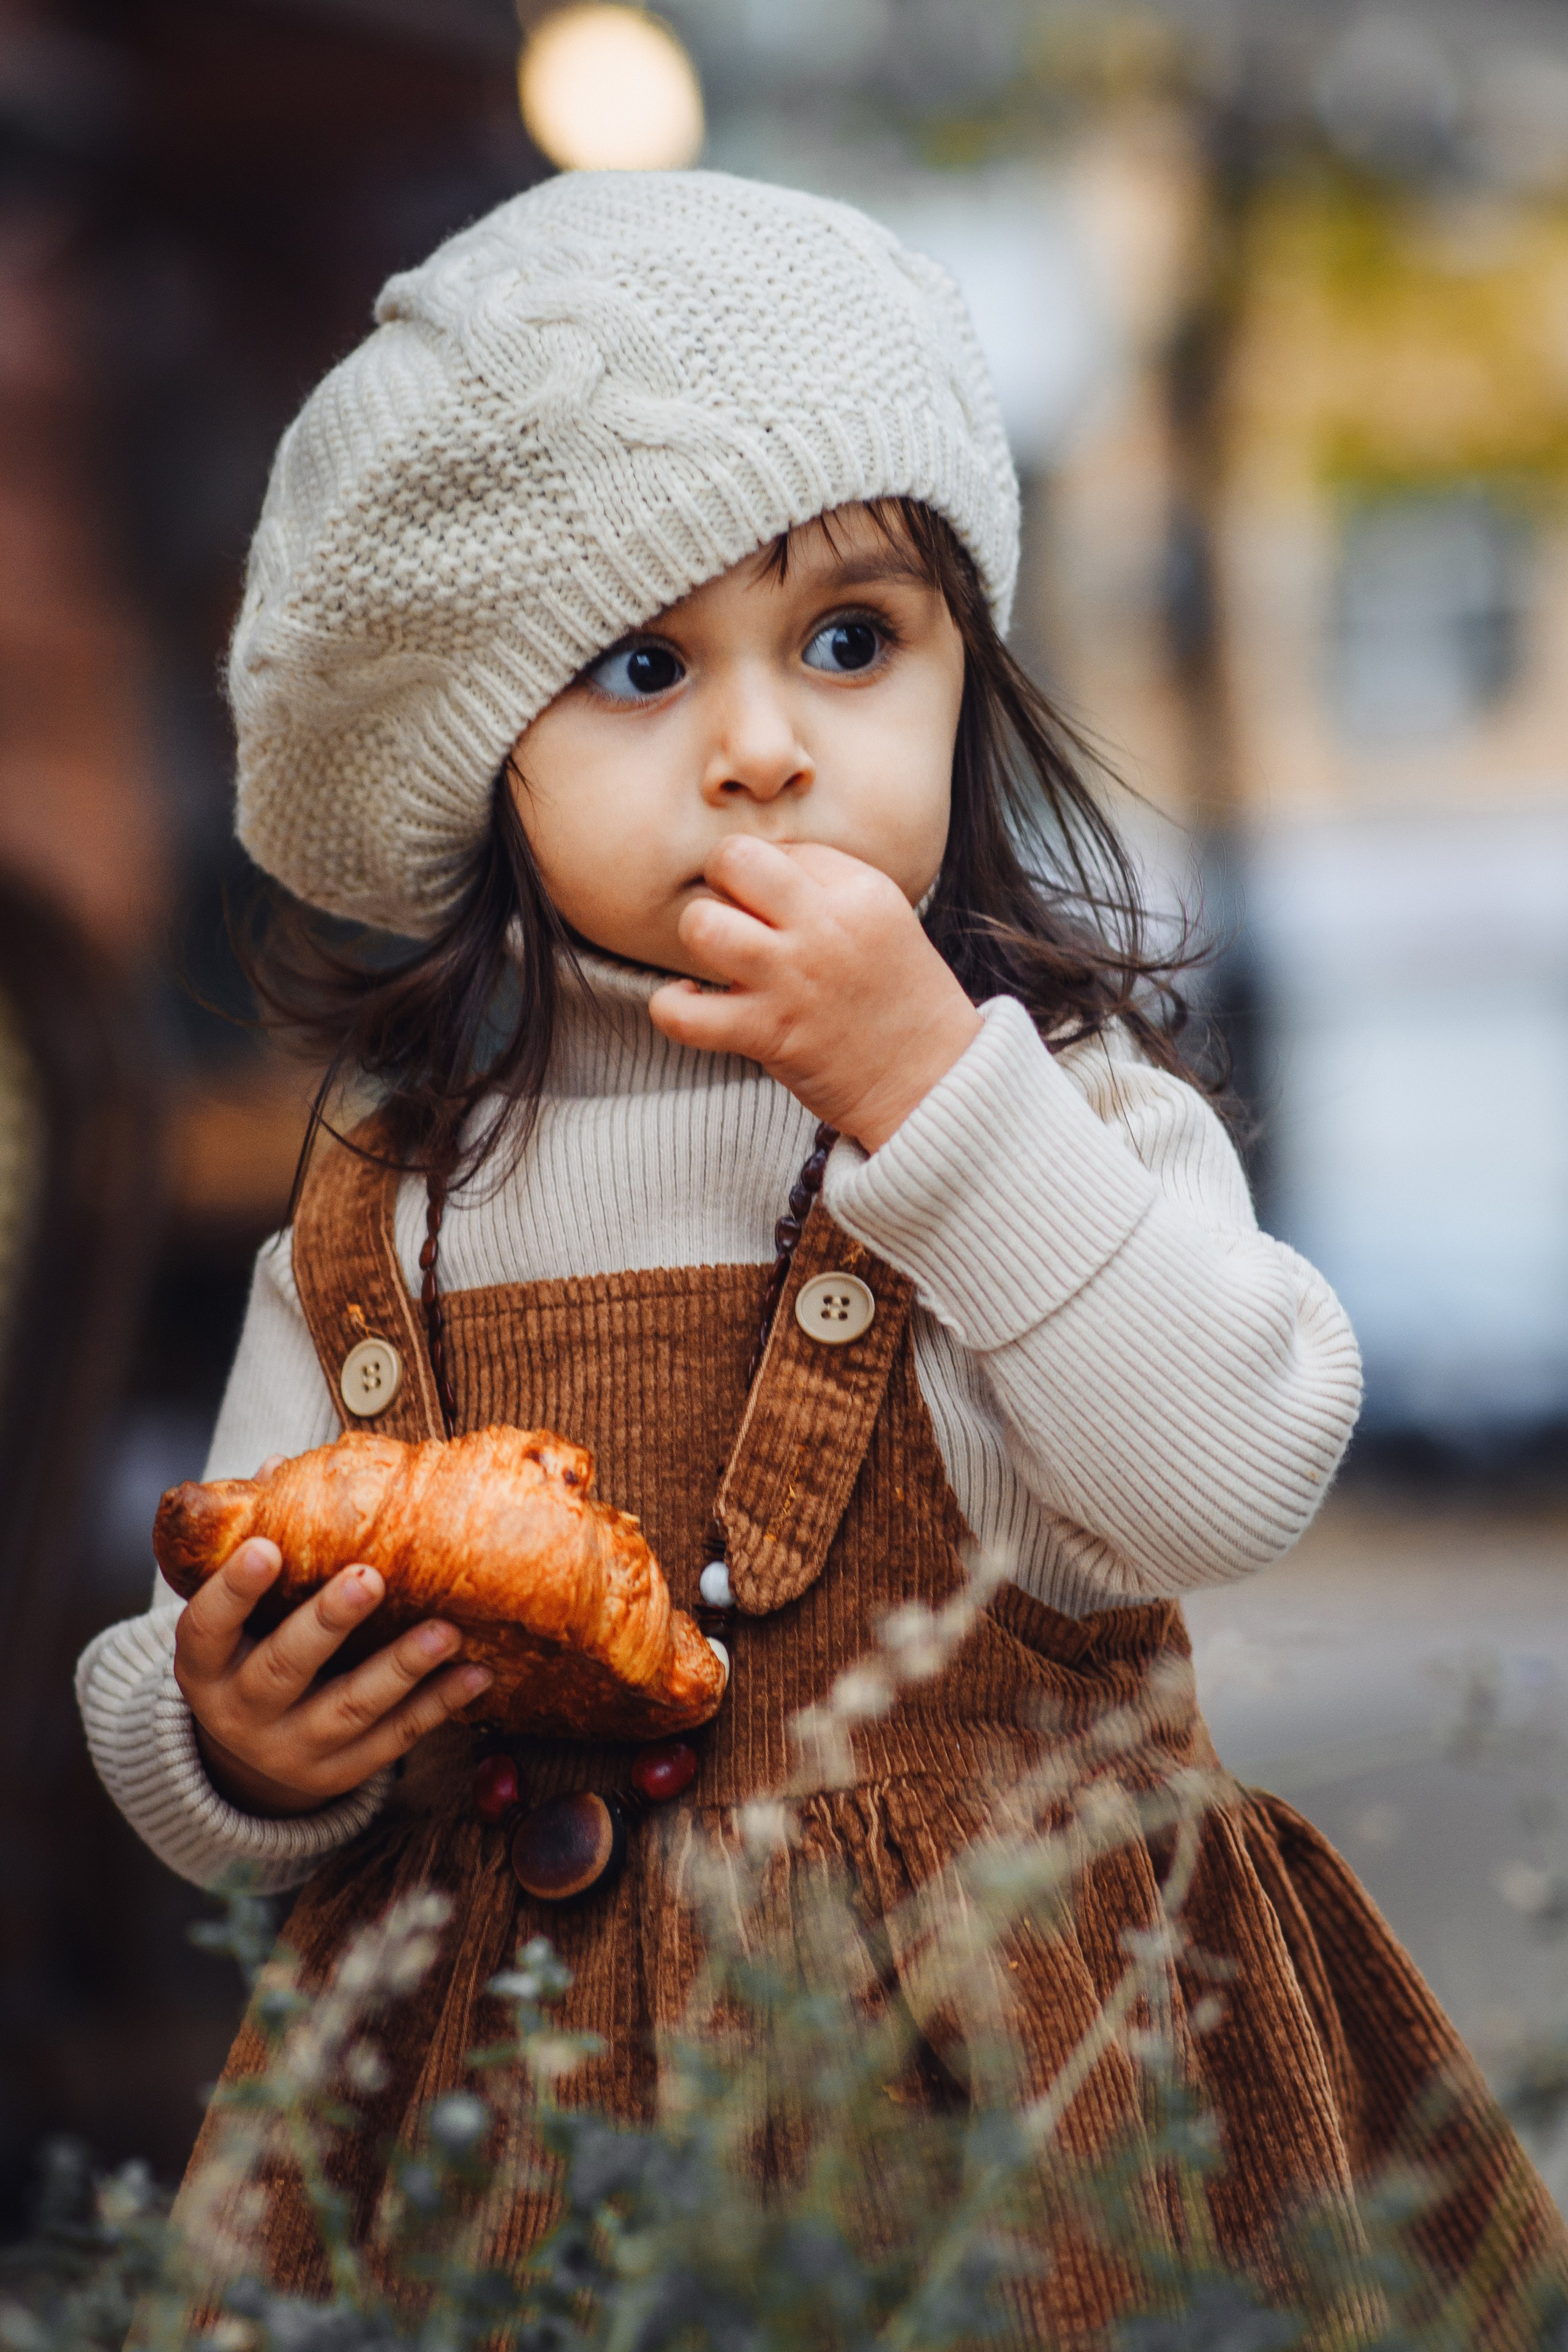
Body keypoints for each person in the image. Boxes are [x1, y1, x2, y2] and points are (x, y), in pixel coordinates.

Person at [77, 171, 1564, 2343]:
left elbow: (1230, 1478)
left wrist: (933, 1105)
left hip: (1028, 2093)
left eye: (854, 639)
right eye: (639, 663)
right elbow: (187, 1665)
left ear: (970, 673)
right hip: (516, 2120)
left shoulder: (1048, 1101)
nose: (766, 741)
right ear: (474, 762)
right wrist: (231, 1746)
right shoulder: (393, 1198)